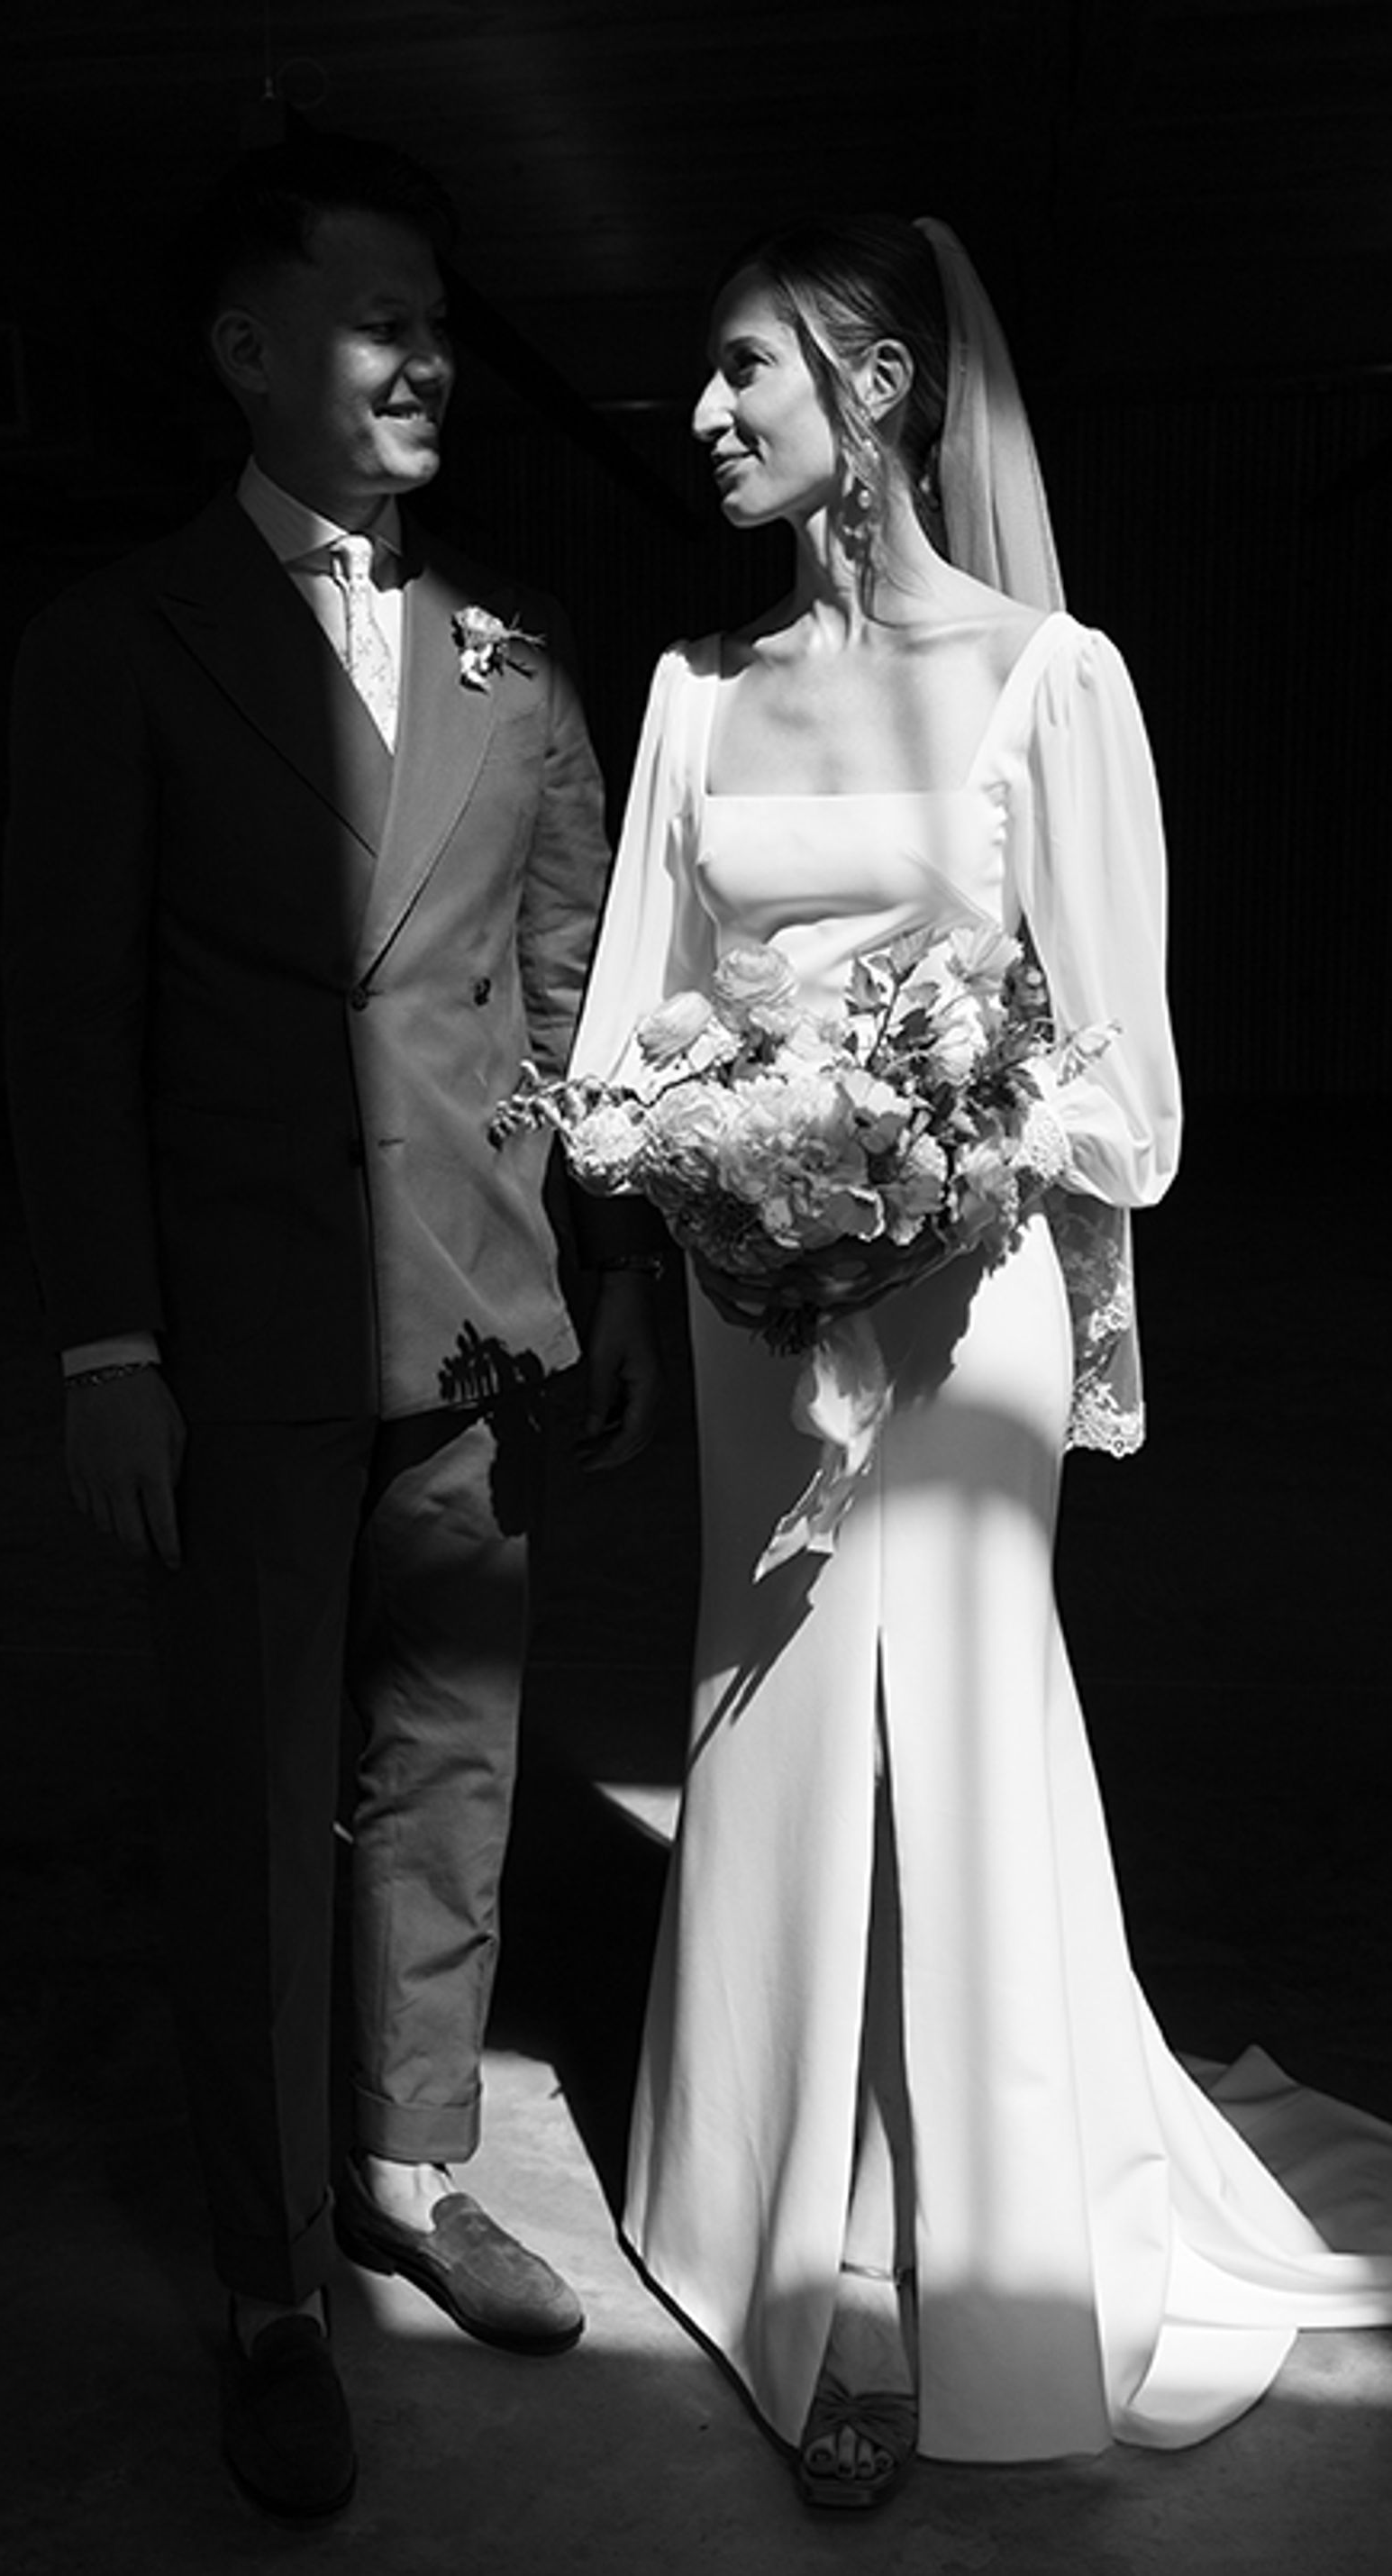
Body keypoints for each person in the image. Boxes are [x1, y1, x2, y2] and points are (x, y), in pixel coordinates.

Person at [569, 213, 1392, 2508]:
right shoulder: (689, 693)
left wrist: (927, 1150)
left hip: (966, 1294)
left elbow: (1124, 1086)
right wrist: (725, 1160)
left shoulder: (1054, 680)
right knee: (767, 1706)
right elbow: (623, 1033)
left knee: (949, 1711)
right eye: (701, 379)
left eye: (743, 369)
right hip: (756, 1298)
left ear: (874, 390)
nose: (700, 415)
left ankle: (980, 2221)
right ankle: (775, 2211)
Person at [2, 132, 660, 2522]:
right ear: (246, 348)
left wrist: (609, 1270)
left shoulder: (510, 641)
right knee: (257, 1809)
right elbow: (69, 1022)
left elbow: (573, 989)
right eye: (379, 320)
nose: (428, 364)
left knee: (450, 1771)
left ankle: (406, 2165)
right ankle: (275, 2280)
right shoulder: (119, 642)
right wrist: (109, 1351)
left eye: (440, 326)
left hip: (480, 1322)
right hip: (244, 1336)